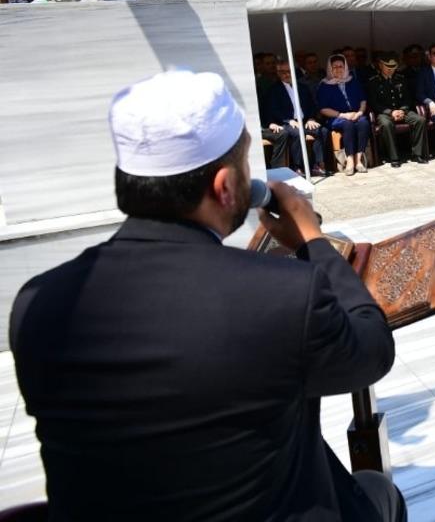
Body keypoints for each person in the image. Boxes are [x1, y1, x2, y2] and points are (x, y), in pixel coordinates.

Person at [9, 70, 404, 522]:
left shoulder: (37, 302)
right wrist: (312, 237)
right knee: (376, 489)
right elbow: (371, 353)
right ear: (225, 187)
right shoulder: (281, 298)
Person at [260, 59, 330, 176]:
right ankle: (297, 167)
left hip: (304, 121)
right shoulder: (274, 90)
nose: (287, 74)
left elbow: (312, 105)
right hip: (285, 123)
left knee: (322, 130)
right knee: (297, 134)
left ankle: (318, 165)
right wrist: (289, 120)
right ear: (278, 73)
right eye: (283, 72)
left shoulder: (302, 87)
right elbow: (273, 110)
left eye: (289, 71)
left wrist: (311, 118)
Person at [368, 51, 428, 168]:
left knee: (420, 120)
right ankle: (394, 156)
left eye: (393, 67)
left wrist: (402, 110)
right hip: (384, 113)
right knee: (386, 124)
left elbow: (407, 98)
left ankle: (417, 154)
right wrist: (391, 112)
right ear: (380, 65)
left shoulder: (401, 78)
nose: (391, 69)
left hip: (402, 110)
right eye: (388, 66)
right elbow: (374, 103)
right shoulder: (373, 81)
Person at [317, 53, 371, 176]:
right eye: (334, 67)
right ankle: (350, 160)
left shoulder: (353, 81)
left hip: (355, 114)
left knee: (363, 122)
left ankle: (359, 159)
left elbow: (363, 100)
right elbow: (323, 109)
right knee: (348, 125)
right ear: (330, 69)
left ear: (345, 67)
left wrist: (360, 112)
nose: (338, 69)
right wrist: (343, 115)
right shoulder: (324, 85)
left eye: (340, 66)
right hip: (336, 118)